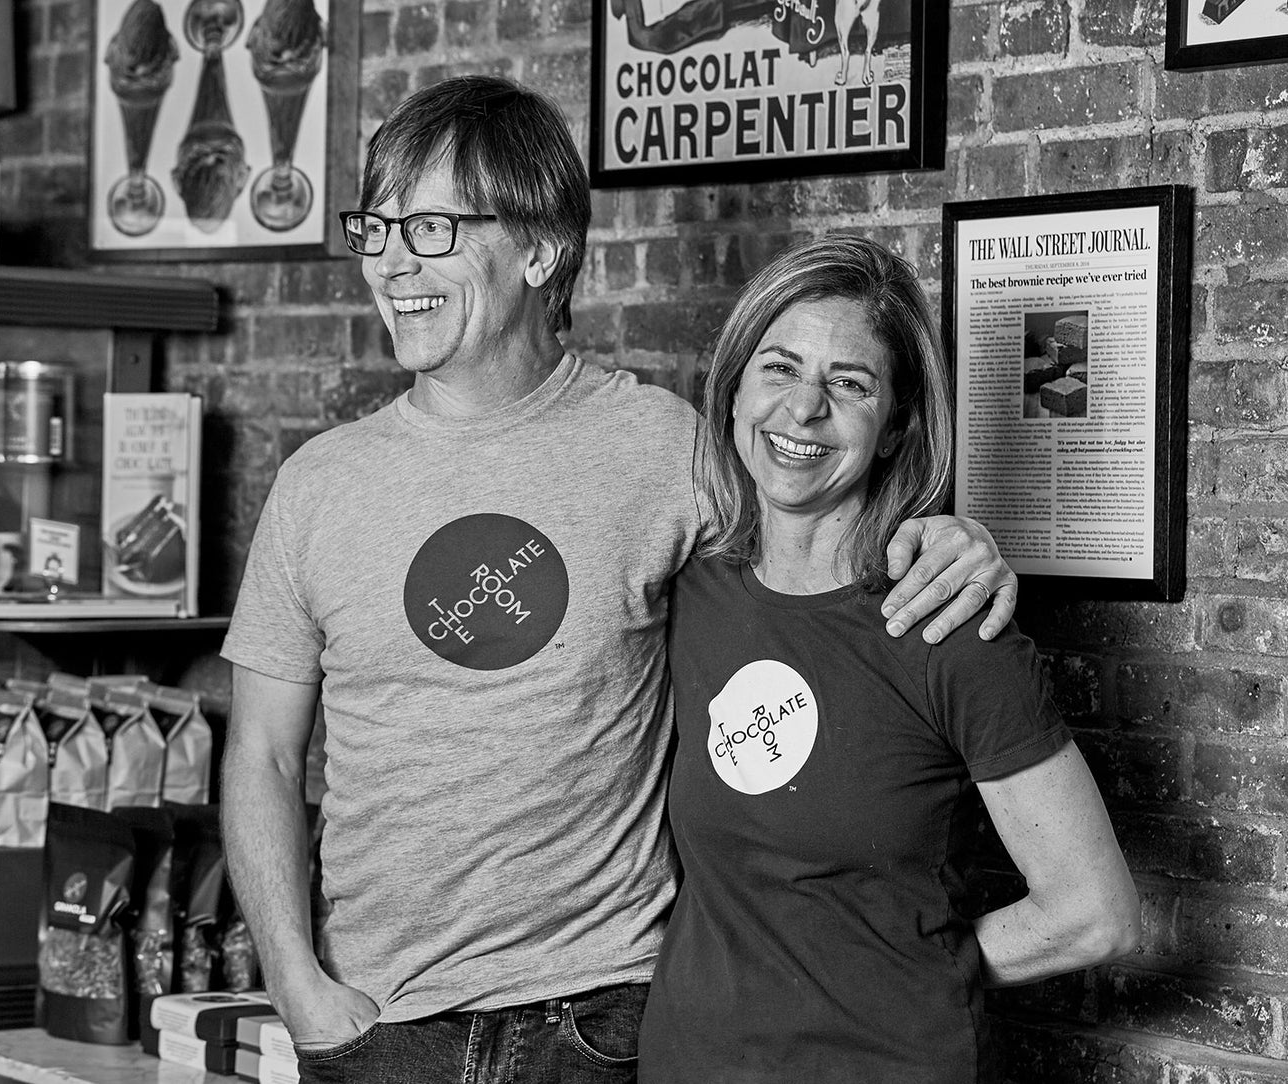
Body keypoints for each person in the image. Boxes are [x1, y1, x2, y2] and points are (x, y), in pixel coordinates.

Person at [219, 75, 1019, 1084]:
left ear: (541, 250)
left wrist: (947, 540)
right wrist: (297, 984)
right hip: (380, 1024)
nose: (387, 260)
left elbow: (824, 566)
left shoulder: (667, 451)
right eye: (374, 227)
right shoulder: (316, 486)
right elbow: (262, 756)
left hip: (603, 1016)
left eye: (425, 227)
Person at [636, 235, 1140, 1083]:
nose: (802, 410)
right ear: (731, 388)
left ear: (895, 424)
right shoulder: (691, 593)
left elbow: (1096, 914)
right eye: (779, 368)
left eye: (849, 383)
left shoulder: (945, 623)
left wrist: (904, 971)